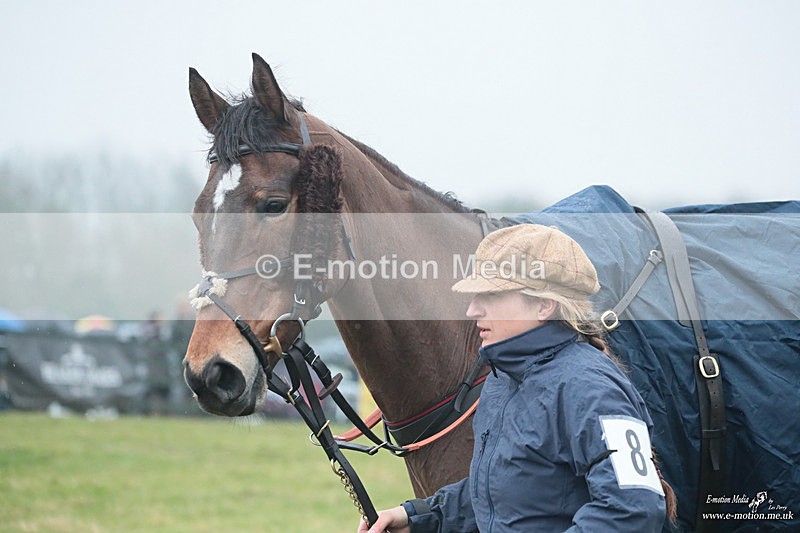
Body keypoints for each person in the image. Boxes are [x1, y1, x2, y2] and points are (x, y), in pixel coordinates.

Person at [359, 224, 676, 532]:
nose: (472, 310)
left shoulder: (592, 389)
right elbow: (507, 492)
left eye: (490, 296)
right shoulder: (502, 380)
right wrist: (421, 517)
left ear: (544, 305)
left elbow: (634, 507)